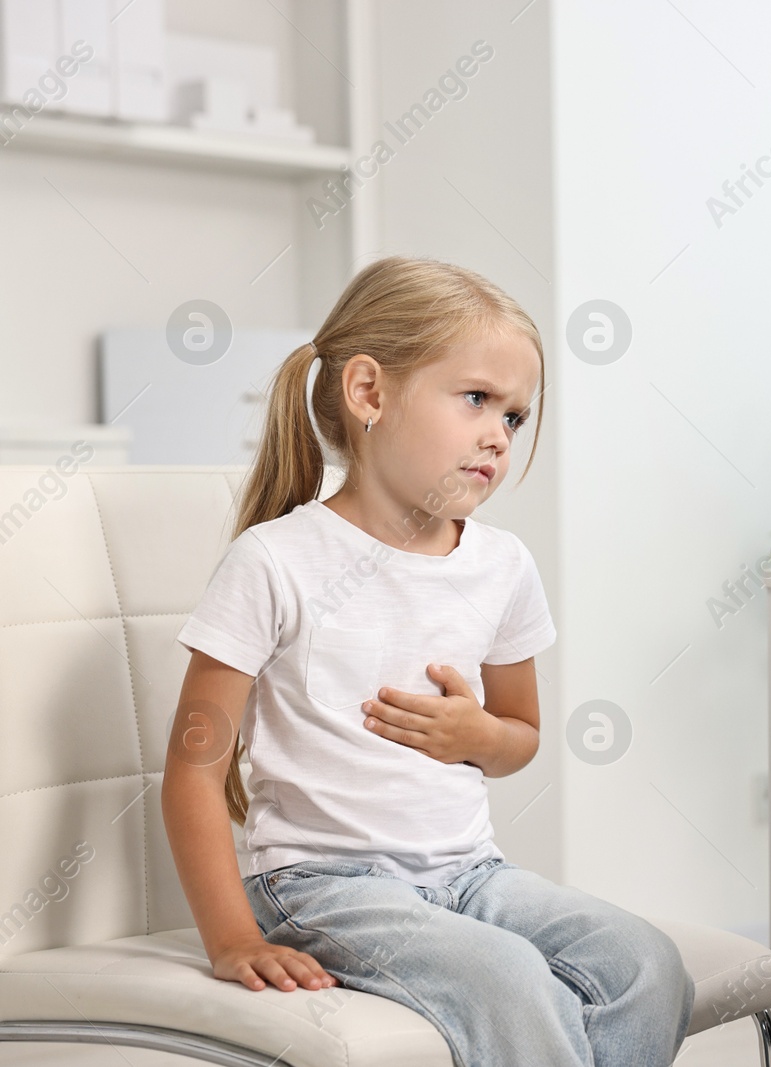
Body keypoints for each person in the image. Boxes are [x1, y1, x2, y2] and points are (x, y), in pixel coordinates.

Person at [161, 256, 694, 1067]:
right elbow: (193, 772)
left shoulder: (503, 565)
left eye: (515, 416)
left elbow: (520, 737)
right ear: (369, 393)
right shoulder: (274, 562)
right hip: (323, 887)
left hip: (472, 873)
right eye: (477, 398)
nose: (497, 434)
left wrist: (473, 732)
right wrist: (231, 936)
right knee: (510, 978)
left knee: (646, 965)